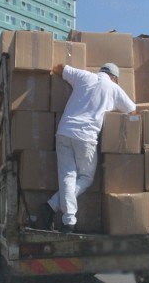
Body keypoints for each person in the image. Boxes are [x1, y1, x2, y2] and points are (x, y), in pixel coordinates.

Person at [40, 62, 136, 233]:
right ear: (114, 77)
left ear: (101, 71)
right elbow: (132, 112)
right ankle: (61, 214)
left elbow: (59, 67)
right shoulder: (114, 89)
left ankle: (58, 211)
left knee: (67, 175)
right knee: (85, 178)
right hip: (86, 137)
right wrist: (110, 110)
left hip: (64, 131)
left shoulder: (85, 76)